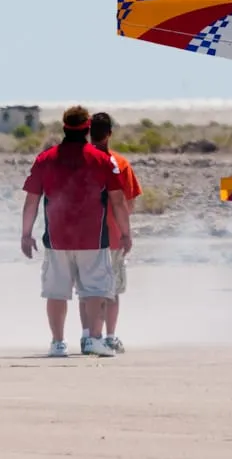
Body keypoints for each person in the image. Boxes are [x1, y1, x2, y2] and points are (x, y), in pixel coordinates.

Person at [20, 105, 133, 358]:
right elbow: (117, 201)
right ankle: (94, 339)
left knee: (56, 292)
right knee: (95, 290)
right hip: (93, 239)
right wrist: (126, 233)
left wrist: (26, 234)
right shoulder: (103, 160)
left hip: (57, 240)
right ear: (87, 128)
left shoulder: (45, 159)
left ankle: (58, 343)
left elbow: (31, 202)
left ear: (64, 127)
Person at [78, 112, 142, 354]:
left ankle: (86, 335)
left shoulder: (79, 161)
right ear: (110, 134)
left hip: (84, 238)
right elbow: (129, 203)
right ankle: (110, 336)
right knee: (112, 290)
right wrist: (126, 232)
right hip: (113, 237)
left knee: (86, 290)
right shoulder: (120, 164)